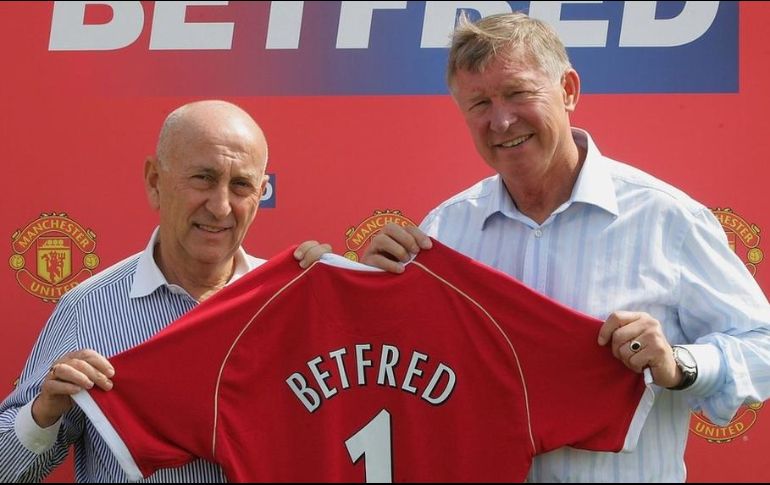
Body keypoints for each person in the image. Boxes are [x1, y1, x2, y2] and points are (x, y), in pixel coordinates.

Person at [362, 12, 770, 482]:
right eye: (479, 103)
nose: (502, 119)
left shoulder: (667, 218)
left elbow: (760, 347)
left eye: (517, 92)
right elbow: (407, 378)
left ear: (569, 90)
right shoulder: (444, 231)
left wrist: (678, 362)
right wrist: (375, 303)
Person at [0, 100, 331, 482]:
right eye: (203, 179)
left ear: (261, 194)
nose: (221, 206)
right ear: (155, 181)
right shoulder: (87, 309)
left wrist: (342, 298)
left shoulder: (292, 304)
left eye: (240, 185)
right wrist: (44, 413)